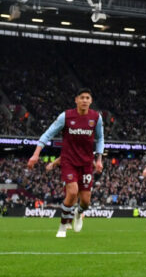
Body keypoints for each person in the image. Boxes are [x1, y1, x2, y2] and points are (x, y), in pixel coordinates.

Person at [27, 88, 104, 237]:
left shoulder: (96, 118)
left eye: (87, 98)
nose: (84, 100)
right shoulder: (66, 116)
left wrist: (99, 159)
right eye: (82, 97)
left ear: (91, 101)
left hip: (87, 163)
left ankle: (78, 213)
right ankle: (62, 226)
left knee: (86, 202)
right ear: (76, 100)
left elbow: (100, 138)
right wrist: (35, 155)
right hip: (69, 161)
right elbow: (48, 134)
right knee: (73, 192)